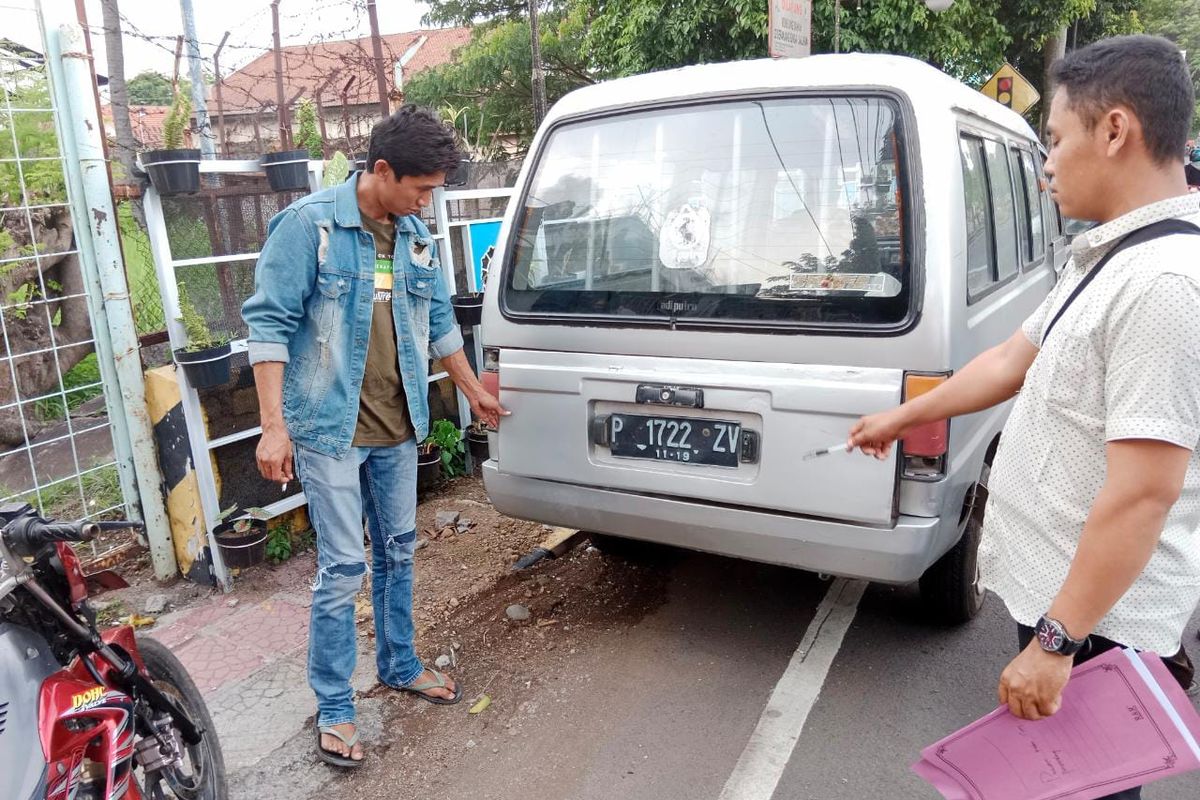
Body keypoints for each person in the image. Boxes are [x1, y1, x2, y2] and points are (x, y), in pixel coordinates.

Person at [848, 35, 1199, 800]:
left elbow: (1145, 492)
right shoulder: (1111, 257)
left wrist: (1055, 641)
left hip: (1100, 624)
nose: (1046, 164)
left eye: (1057, 140)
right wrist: (904, 417)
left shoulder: (1167, 284)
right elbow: (1013, 356)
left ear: (1115, 131)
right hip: (1073, 607)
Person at [242, 106, 507, 768]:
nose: (427, 202)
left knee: (398, 551)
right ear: (381, 170)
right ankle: (334, 705)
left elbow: (440, 317)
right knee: (342, 568)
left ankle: (399, 662)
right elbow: (268, 325)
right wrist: (273, 427)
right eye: (420, 188)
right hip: (329, 429)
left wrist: (472, 391)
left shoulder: (414, 235)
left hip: (397, 424)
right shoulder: (311, 228)